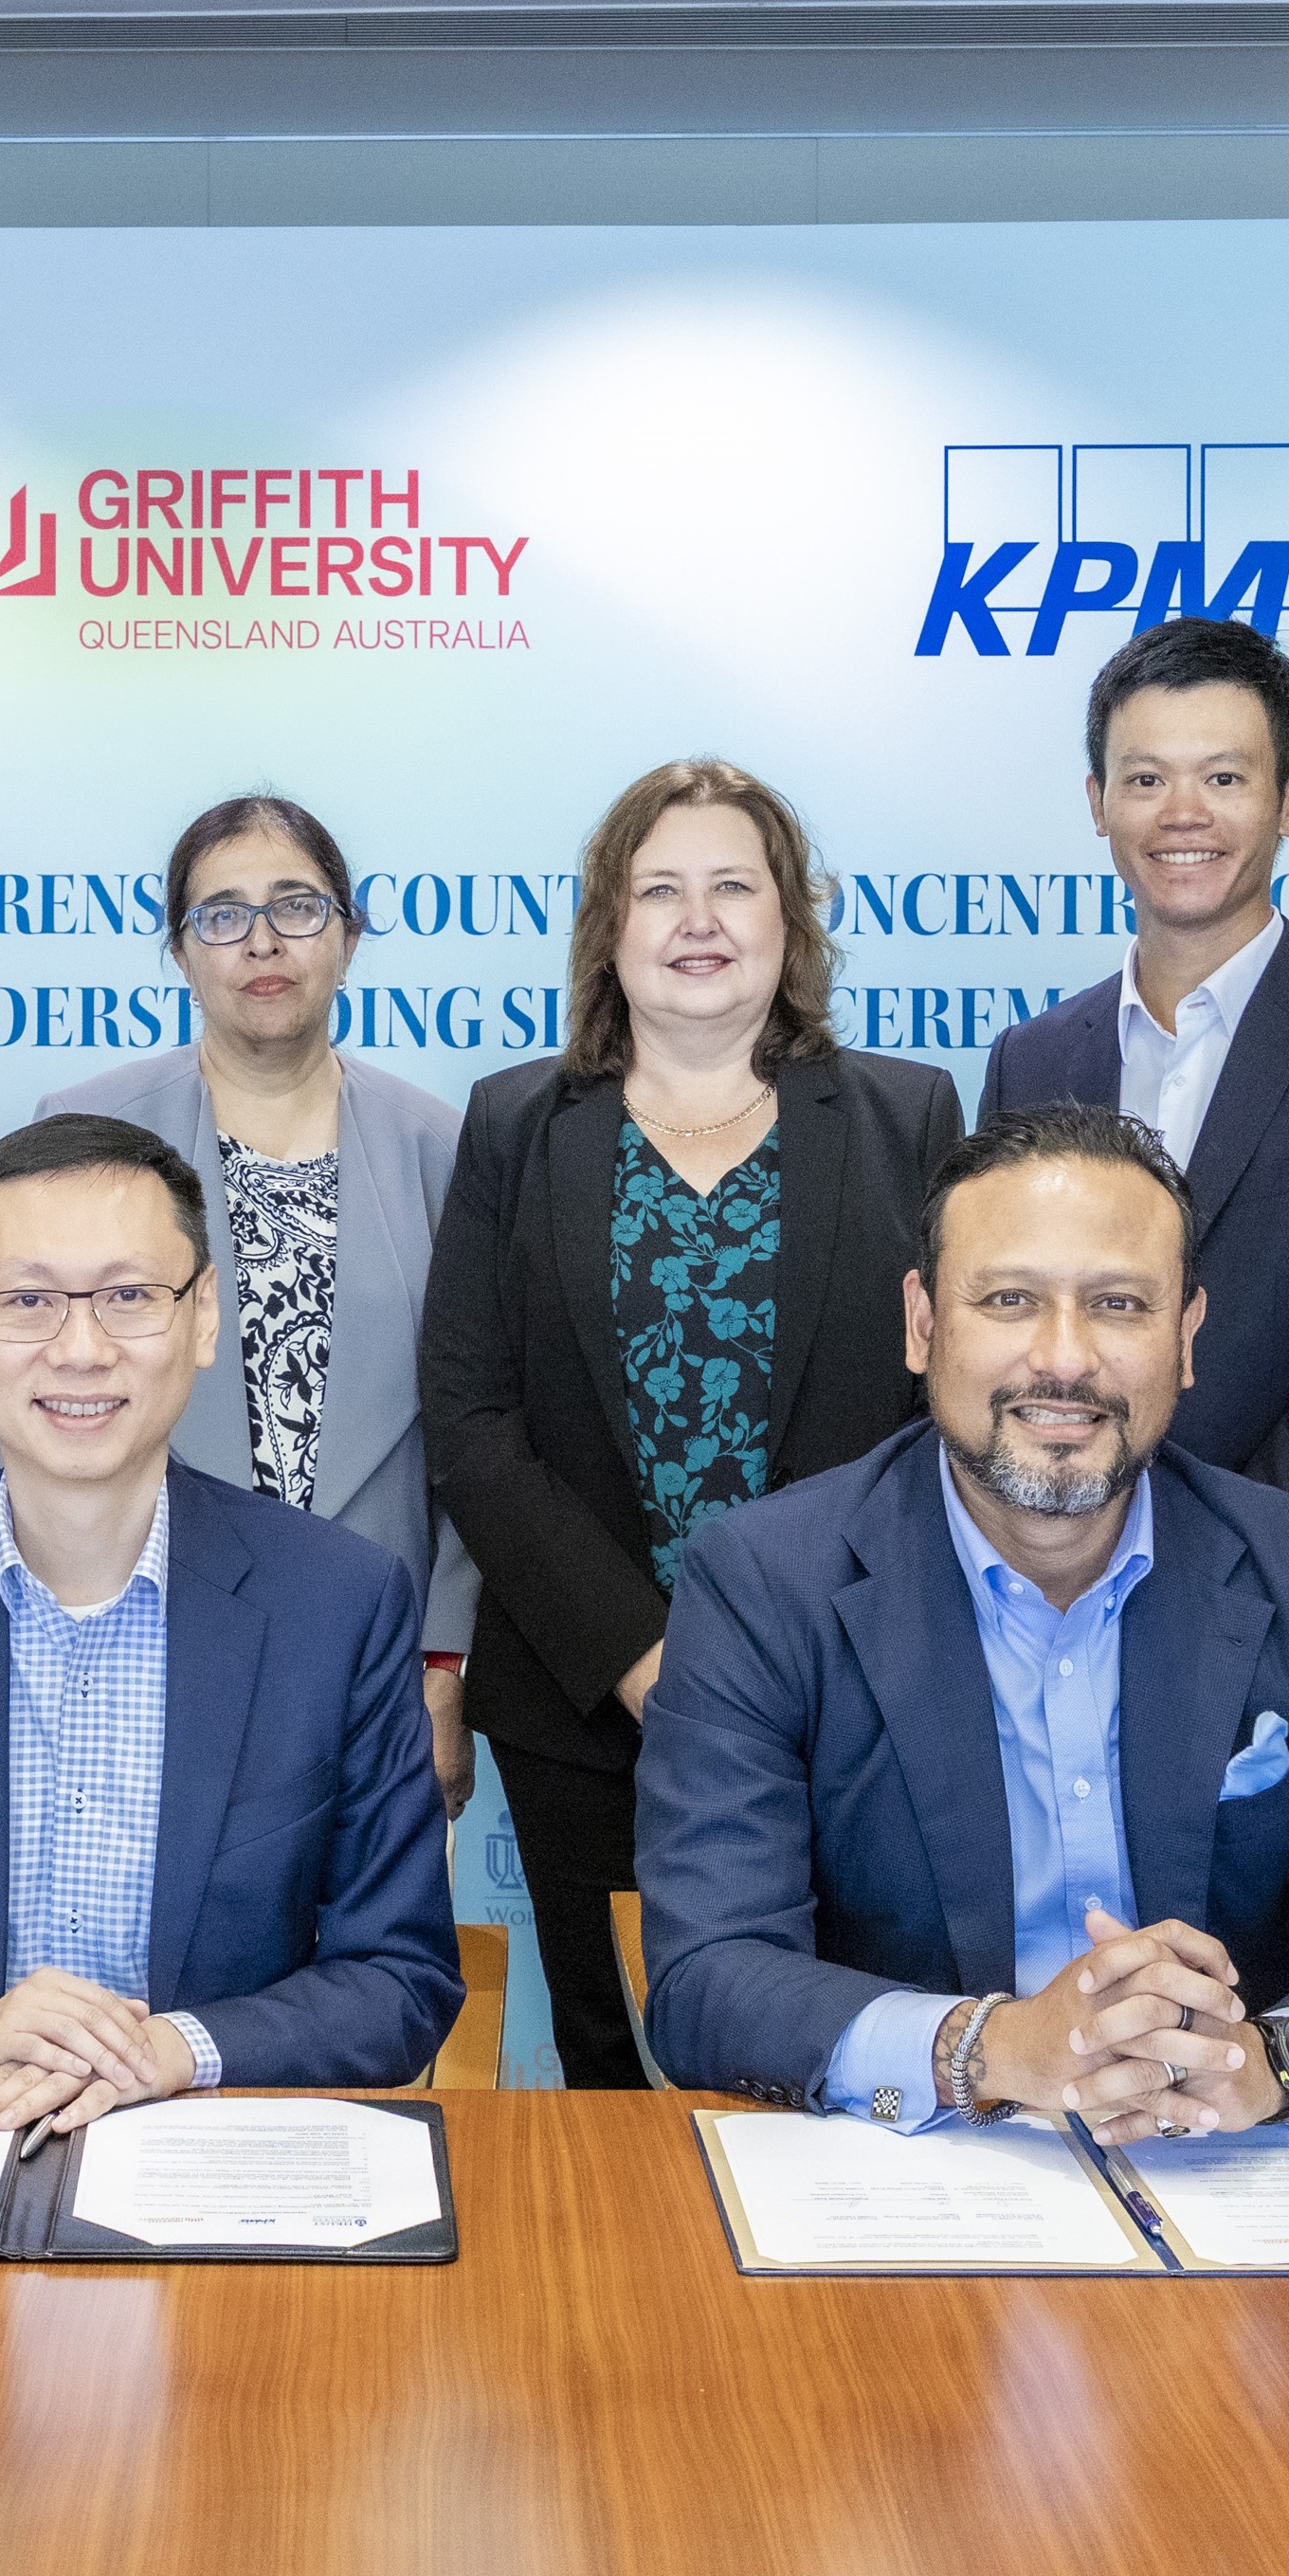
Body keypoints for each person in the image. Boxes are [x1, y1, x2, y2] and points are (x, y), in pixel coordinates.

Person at [634, 1107, 1289, 2129]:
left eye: (1120, 1304)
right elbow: (709, 1974)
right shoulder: (764, 1581)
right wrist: (990, 2048)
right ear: (923, 1326)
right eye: (1008, 1300)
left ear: (1185, 1338)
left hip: (1223, 2169)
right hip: (915, 2171)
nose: (1065, 1358)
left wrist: (1273, 2064)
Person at [0, 1115, 463, 2108]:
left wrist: (171, 2053)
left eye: (130, 1297)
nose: (81, 1349)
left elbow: (398, 1981)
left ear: (202, 1319)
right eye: (26, 1301)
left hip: (211, 2158)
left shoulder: (338, 1603)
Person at [421, 758, 959, 2087]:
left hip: (849, 1691)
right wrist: (641, 1656)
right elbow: (472, 1413)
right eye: (658, 888)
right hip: (586, 1700)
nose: (698, 918)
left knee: (851, 2053)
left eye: (734, 884)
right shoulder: (517, 1123)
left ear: (792, 919)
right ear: (611, 926)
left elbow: (947, 1399)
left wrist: (783, 1659)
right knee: (616, 2062)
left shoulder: (908, 1116)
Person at [978, 617, 1289, 1693]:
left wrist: (1183, 1565)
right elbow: (1004, 1337)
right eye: (1145, 777)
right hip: (1056, 1621)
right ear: (1097, 802)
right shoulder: (1032, 1057)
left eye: (1224, 777)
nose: (1182, 814)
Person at [35, 793, 478, 1809]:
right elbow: (32, 1415)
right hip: (132, 1642)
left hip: (371, 1656)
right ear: (182, 953)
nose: (262, 941)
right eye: (222, 915)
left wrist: (443, 1667)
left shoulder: (441, 1148)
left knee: (367, 1964)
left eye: (297, 906)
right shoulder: (86, 1133)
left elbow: (477, 1433)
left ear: (350, 935)